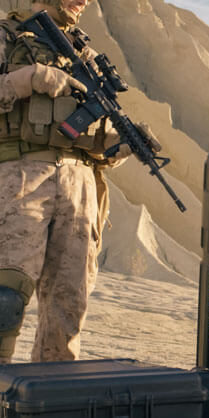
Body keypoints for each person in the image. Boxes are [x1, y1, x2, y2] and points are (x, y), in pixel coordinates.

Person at [0, 0, 138, 362]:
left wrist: (116, 145)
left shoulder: (87, 56)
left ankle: (49, 408)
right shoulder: (6, 36)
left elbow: (92, 138)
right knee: (5, 301)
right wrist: (24, 80)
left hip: (80, 187)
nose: (85, 0)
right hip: (20, 178)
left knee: (67, 311)